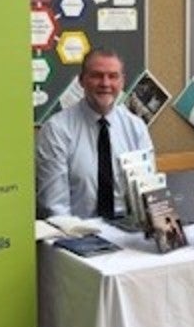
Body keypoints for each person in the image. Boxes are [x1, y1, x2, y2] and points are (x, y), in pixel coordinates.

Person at [36, 48, 153, 218]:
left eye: (113, 76)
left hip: (129, 231)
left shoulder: (136, 128)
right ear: (81, 81)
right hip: (77, 233)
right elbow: (54, 207)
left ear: (122, 82)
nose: (105, 83)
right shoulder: (57, 130)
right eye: (97, 75)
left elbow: (148, 193)